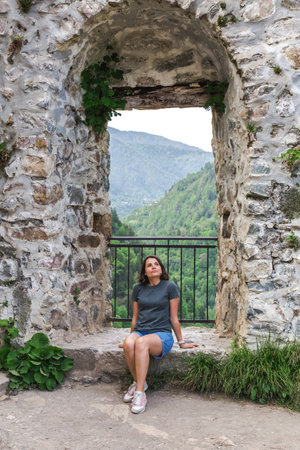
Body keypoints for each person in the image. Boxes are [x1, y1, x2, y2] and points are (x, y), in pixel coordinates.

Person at [119, 255, 198, 414]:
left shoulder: (170, 287)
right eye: (149, 265)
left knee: (141, 343)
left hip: (161, 334)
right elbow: (135, 317)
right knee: (129, 343)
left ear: (161, 269)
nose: (153, 267)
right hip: (141, 331)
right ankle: (138, 382)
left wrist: (181, 342)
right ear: (145, 272)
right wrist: (130, 338)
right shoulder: (138, 289)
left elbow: (173, 317)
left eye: (156, 264)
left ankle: (140, 393)